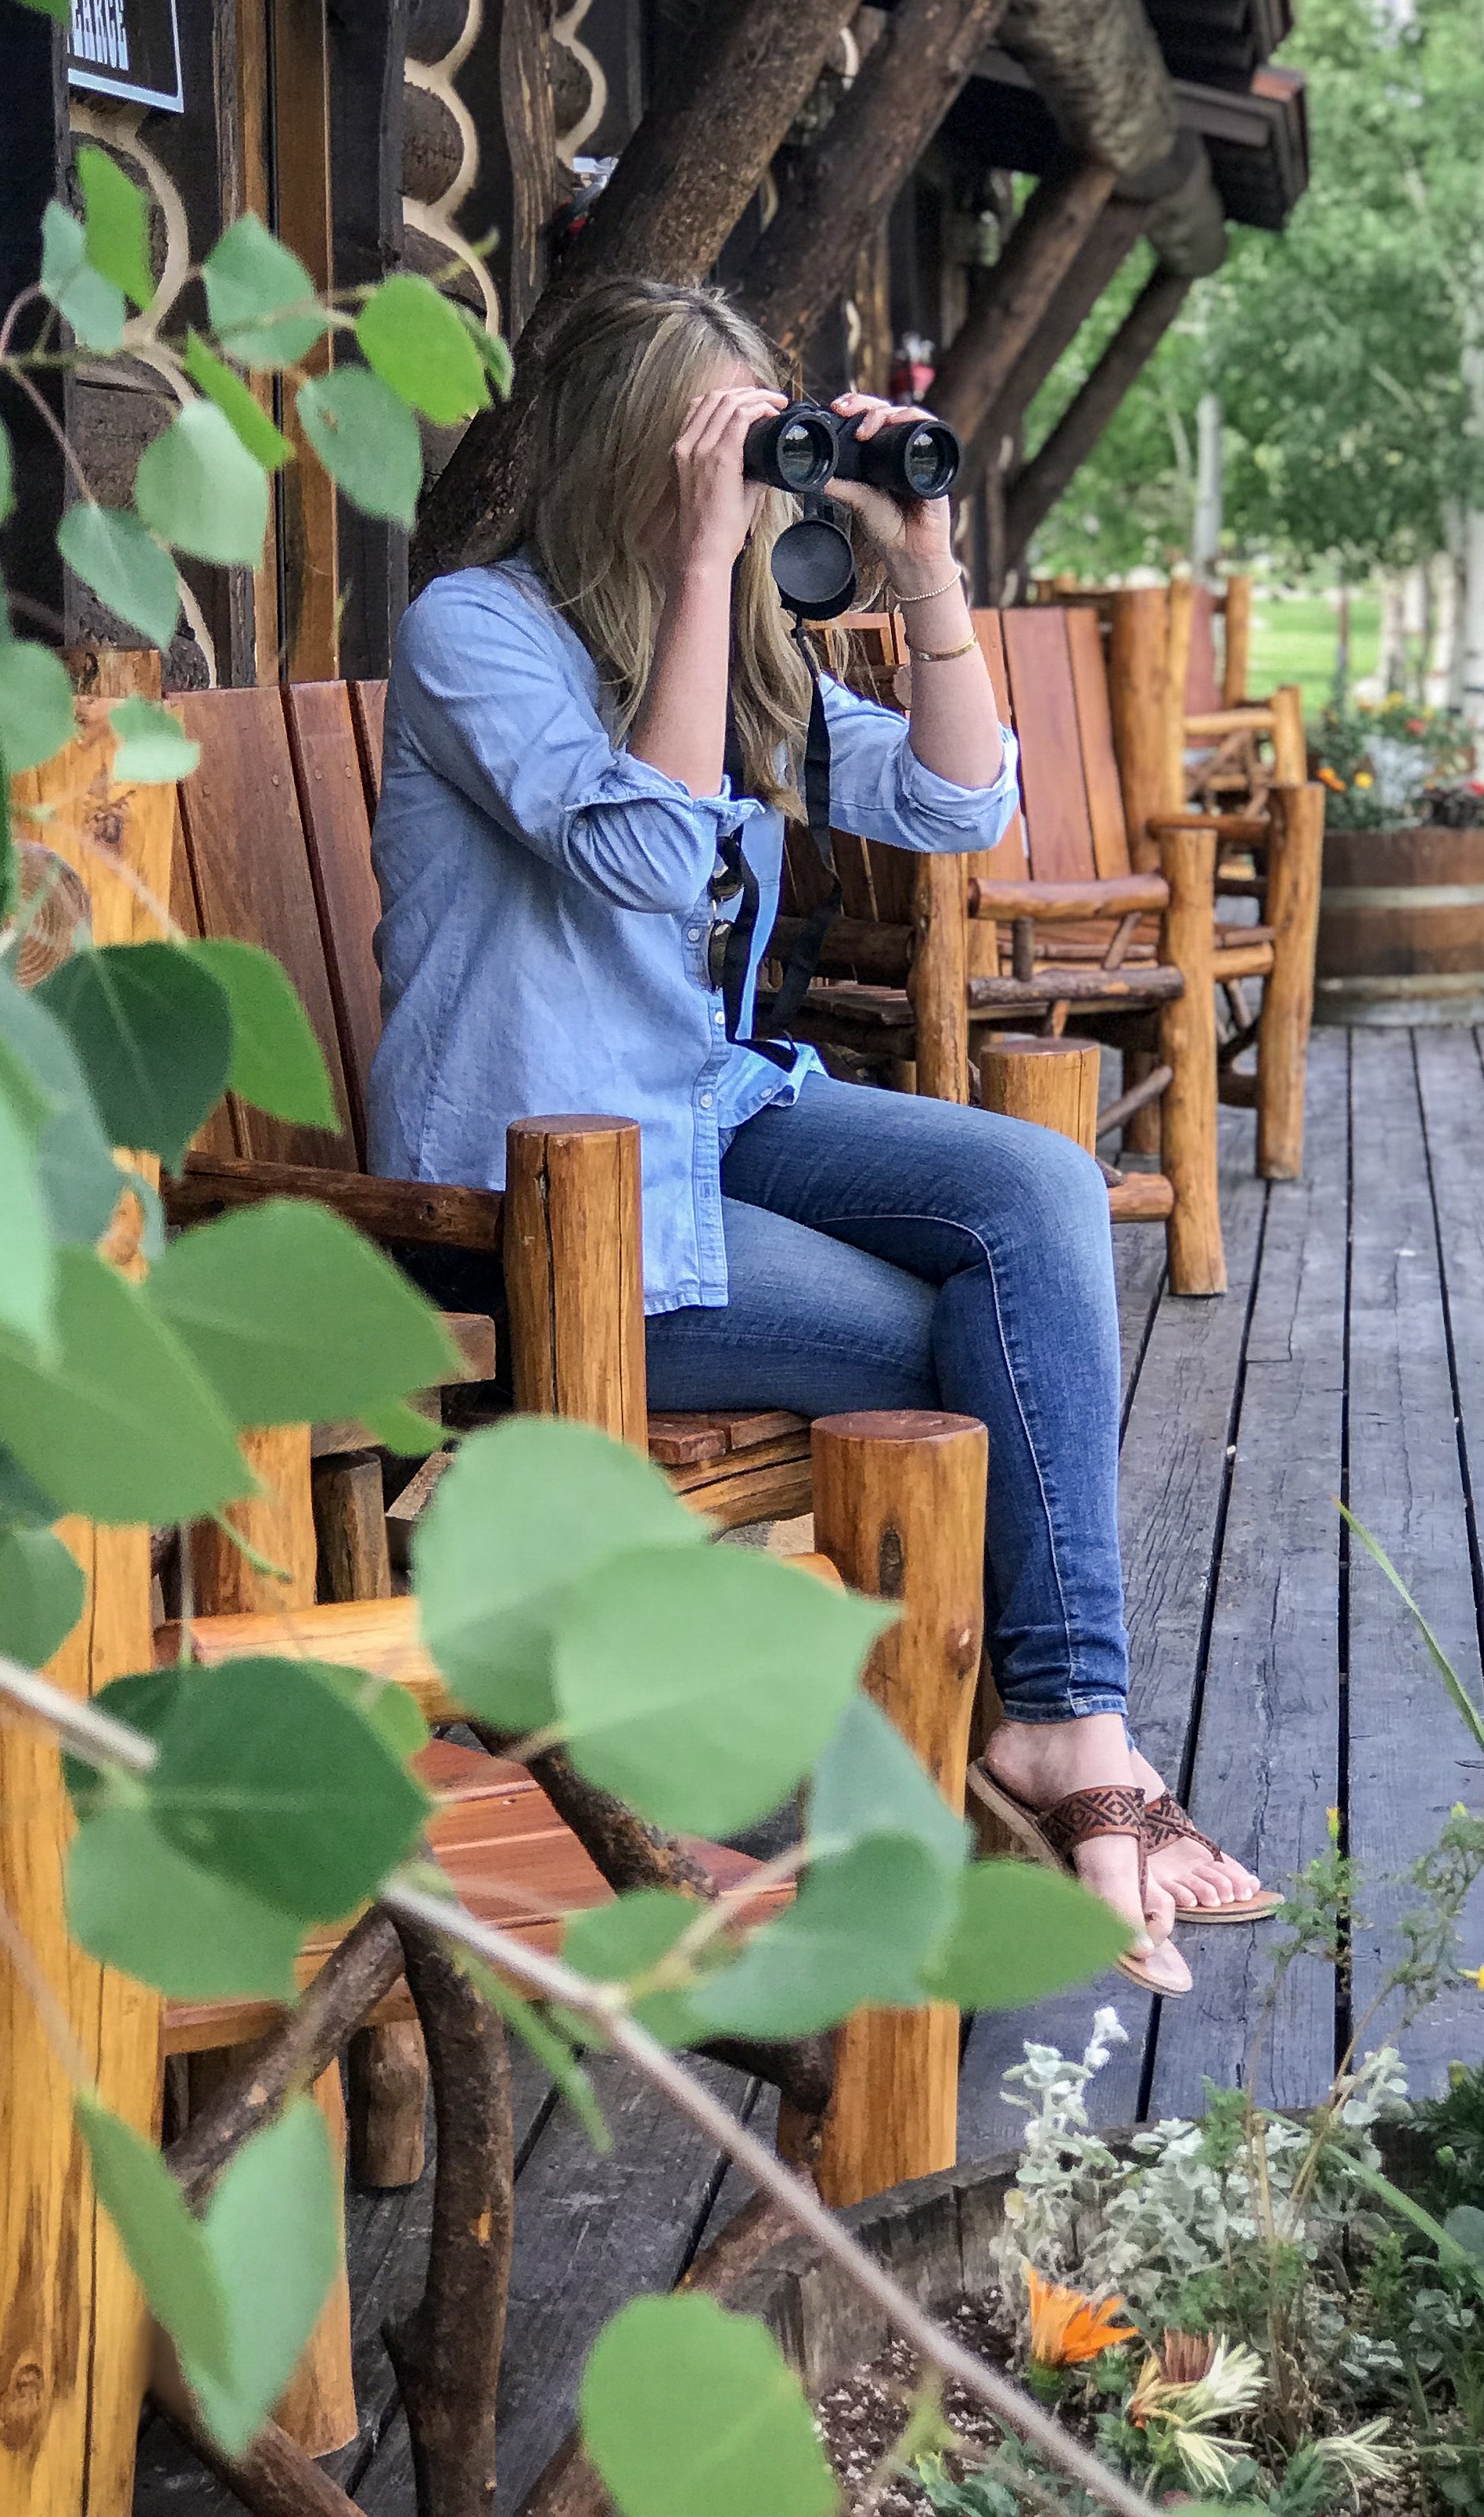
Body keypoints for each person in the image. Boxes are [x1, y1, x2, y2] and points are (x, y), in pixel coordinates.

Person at [369, 275, 1270, 1996]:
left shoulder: (744, 651)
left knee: (1037, 1190)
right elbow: (643, 853)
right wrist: (708, 569)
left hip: (702, 1116)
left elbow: (956, 803)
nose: (756, 484)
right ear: (632, 458)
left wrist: (922, 563)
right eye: (719, 453)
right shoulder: (477, 632)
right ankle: (1050, 1750)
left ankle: (1063, 1730)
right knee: (970, 1330)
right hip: (533, 1192)